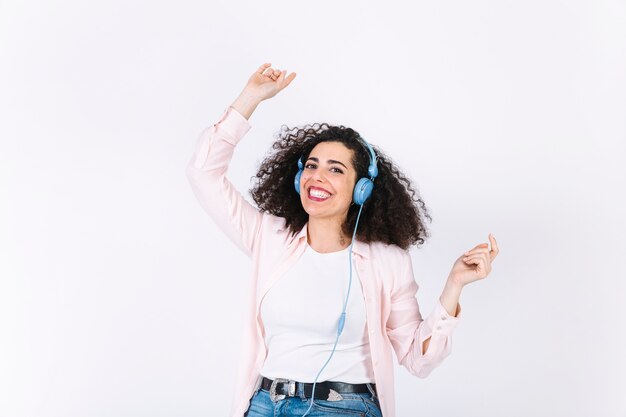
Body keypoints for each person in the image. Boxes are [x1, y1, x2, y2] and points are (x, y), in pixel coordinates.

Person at [185, 62, 499, 417]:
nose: (317, 177)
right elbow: (202, 173)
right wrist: (250, 98)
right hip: (263, 404)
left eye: (336, 169)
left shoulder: (386, 260)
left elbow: (418, 359)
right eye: (312, 166)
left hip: (344, 408)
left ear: (362, 190)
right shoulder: (268, 237)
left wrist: (454, 287)